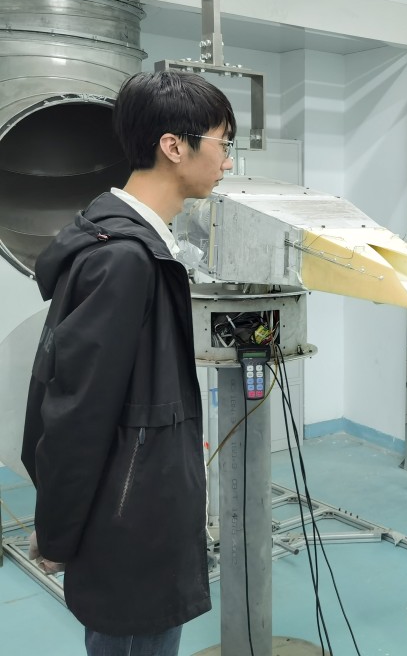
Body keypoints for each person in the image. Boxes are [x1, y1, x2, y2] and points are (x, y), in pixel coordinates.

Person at [21, 70, 236, 655]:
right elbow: (75, 412)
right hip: (131, 520)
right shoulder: (126, 260)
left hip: (136, 504)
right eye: (223, 143)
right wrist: (58, 531)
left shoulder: (113, 239)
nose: (228, 163)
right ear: (174, 145)